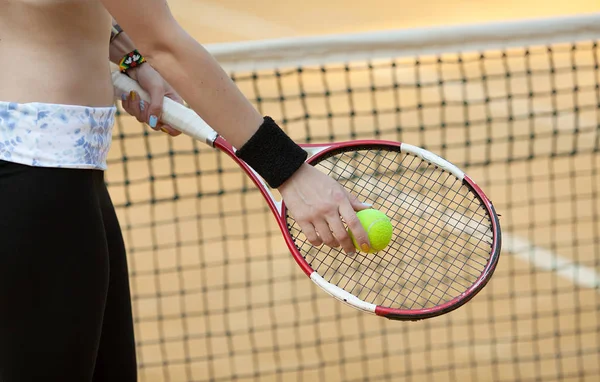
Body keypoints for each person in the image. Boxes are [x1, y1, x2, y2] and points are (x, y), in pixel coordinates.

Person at [0, 0, 372, 380]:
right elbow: (165, 44)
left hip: (40, 173)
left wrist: (131, 58)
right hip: (42, 183)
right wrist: (289, 170)